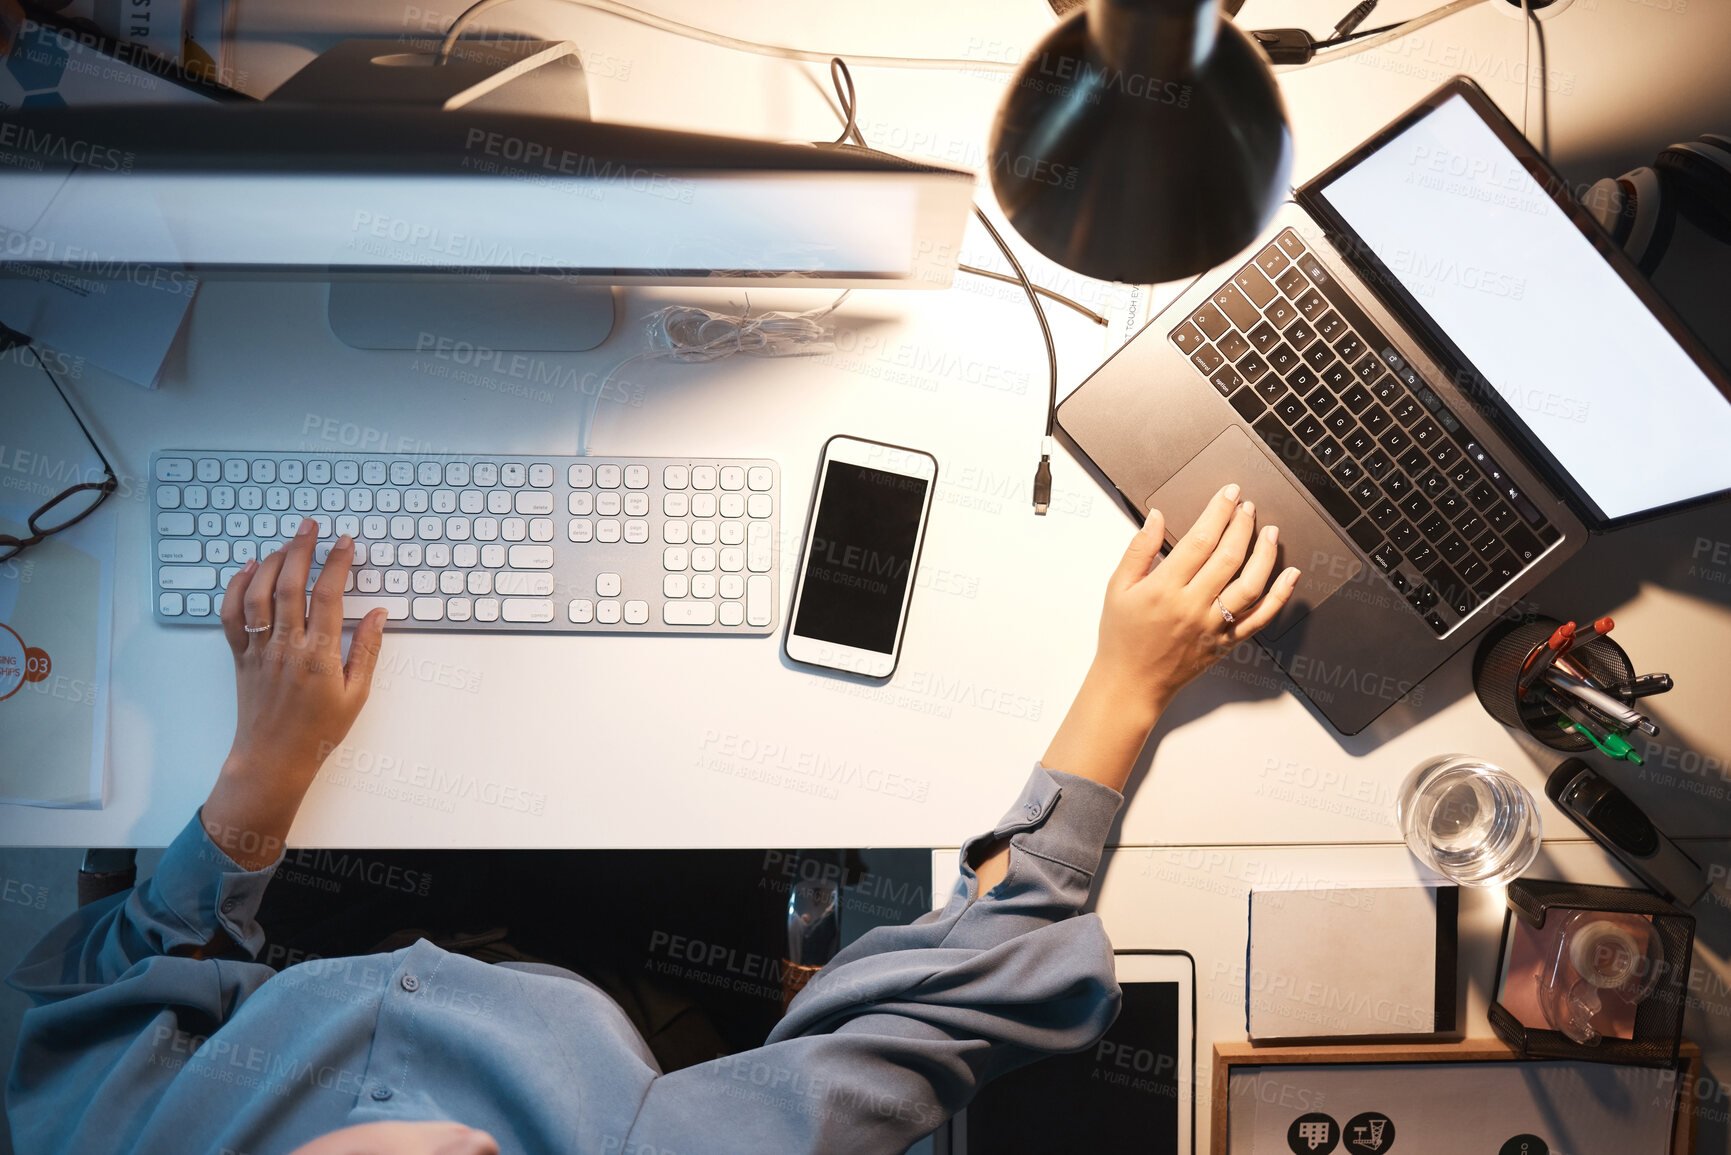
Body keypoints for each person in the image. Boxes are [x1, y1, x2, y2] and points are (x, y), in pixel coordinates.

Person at [7, 482, 1295, 1155]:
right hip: (612, 984)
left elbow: (114, 982)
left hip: (306, 925)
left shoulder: (102, 1136)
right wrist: (1130, 681)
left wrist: (260, 782)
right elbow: (991, 984)